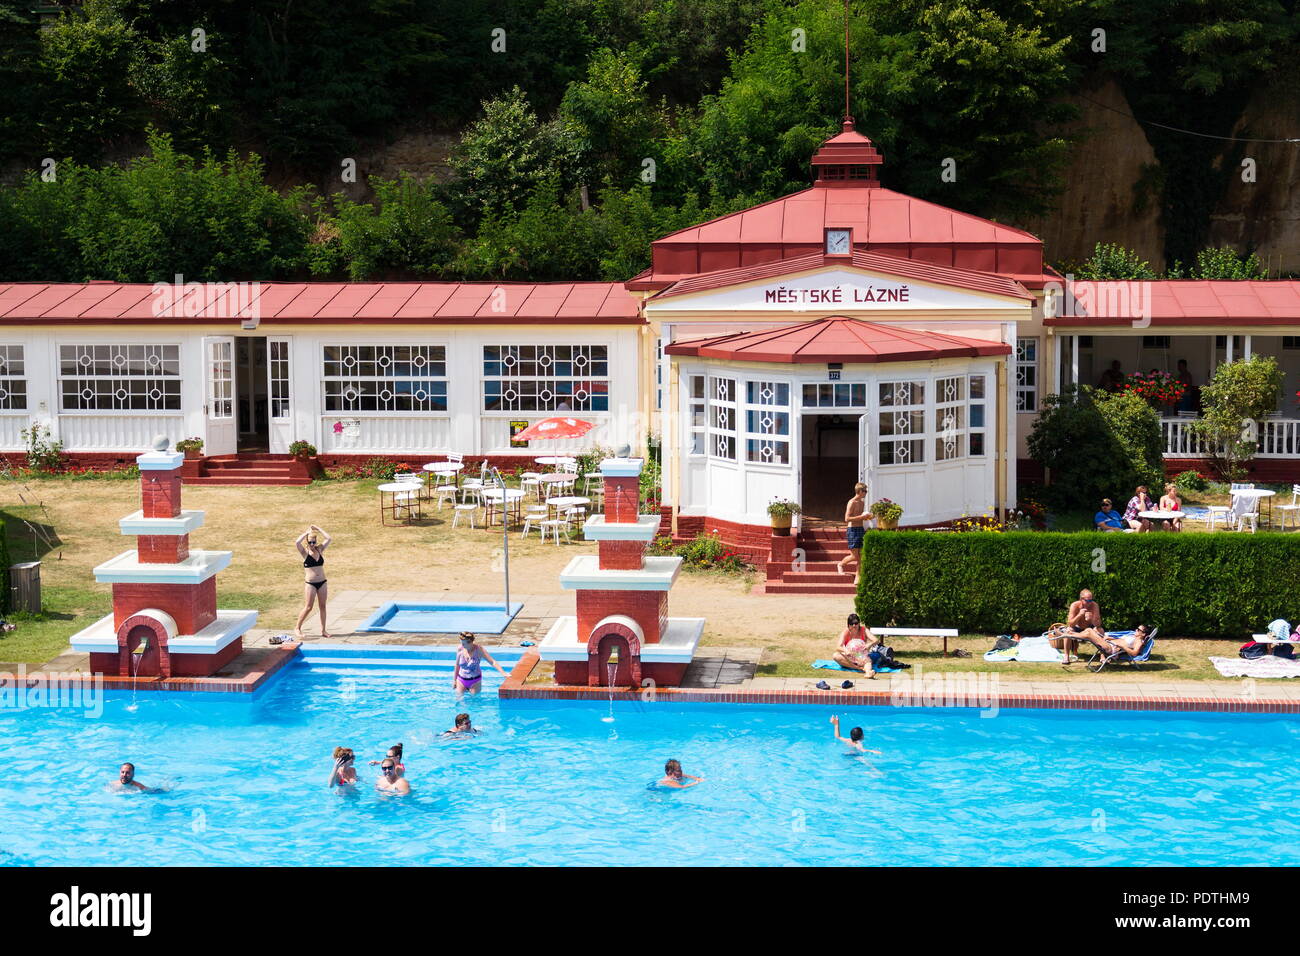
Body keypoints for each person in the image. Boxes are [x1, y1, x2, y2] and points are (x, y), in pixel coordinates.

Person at [294, 525, 332, 639]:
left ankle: (323, 630)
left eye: (314, 542)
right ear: (307, 542)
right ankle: (297, 628)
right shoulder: (304, 552)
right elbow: (297, 542)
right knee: (308, 607)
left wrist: (319, 529)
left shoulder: (319, 549)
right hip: (310, 584)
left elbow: (329, 538)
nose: (312, 545)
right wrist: (306, 533)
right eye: (310, 542)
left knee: (323, 606)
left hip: (322, 582)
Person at [835, 482, 870, 584]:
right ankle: (841, 564)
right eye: (865, 491)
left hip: (860, 529)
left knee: (861, 555)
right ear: (859, 491)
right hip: (852, 530)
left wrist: (868, 517)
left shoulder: (862, 503)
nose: (866, 493)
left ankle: (857, 577)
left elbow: (861, 517)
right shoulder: (852, 502)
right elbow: (847, 518)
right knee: (855, 556)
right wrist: (861, 517)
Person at [453, 632, 507, 697]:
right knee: (459, 701)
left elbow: (492, 662)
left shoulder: (479, 650)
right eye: (461, 643)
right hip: (461, 680)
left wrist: (503, 672)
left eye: (463, 643)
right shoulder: (460, 648)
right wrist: (454, 680)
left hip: (475, 681)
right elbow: (457, 665)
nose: (462, 645)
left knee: (474, 703)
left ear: (470, 642)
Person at [833, 613, 880, 678]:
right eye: (851, 624)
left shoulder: (864, 630)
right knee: (835, 656)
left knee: (867, 661)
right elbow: (838, 647)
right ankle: (858, 668)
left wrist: (869, 644)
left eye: (856, 623)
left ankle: (868, 672)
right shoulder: (846, 632)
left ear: (859, 623)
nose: (854, 625)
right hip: (850, 655)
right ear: (848, 625)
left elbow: (876, 640)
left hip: (860, 655)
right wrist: (845, 650)